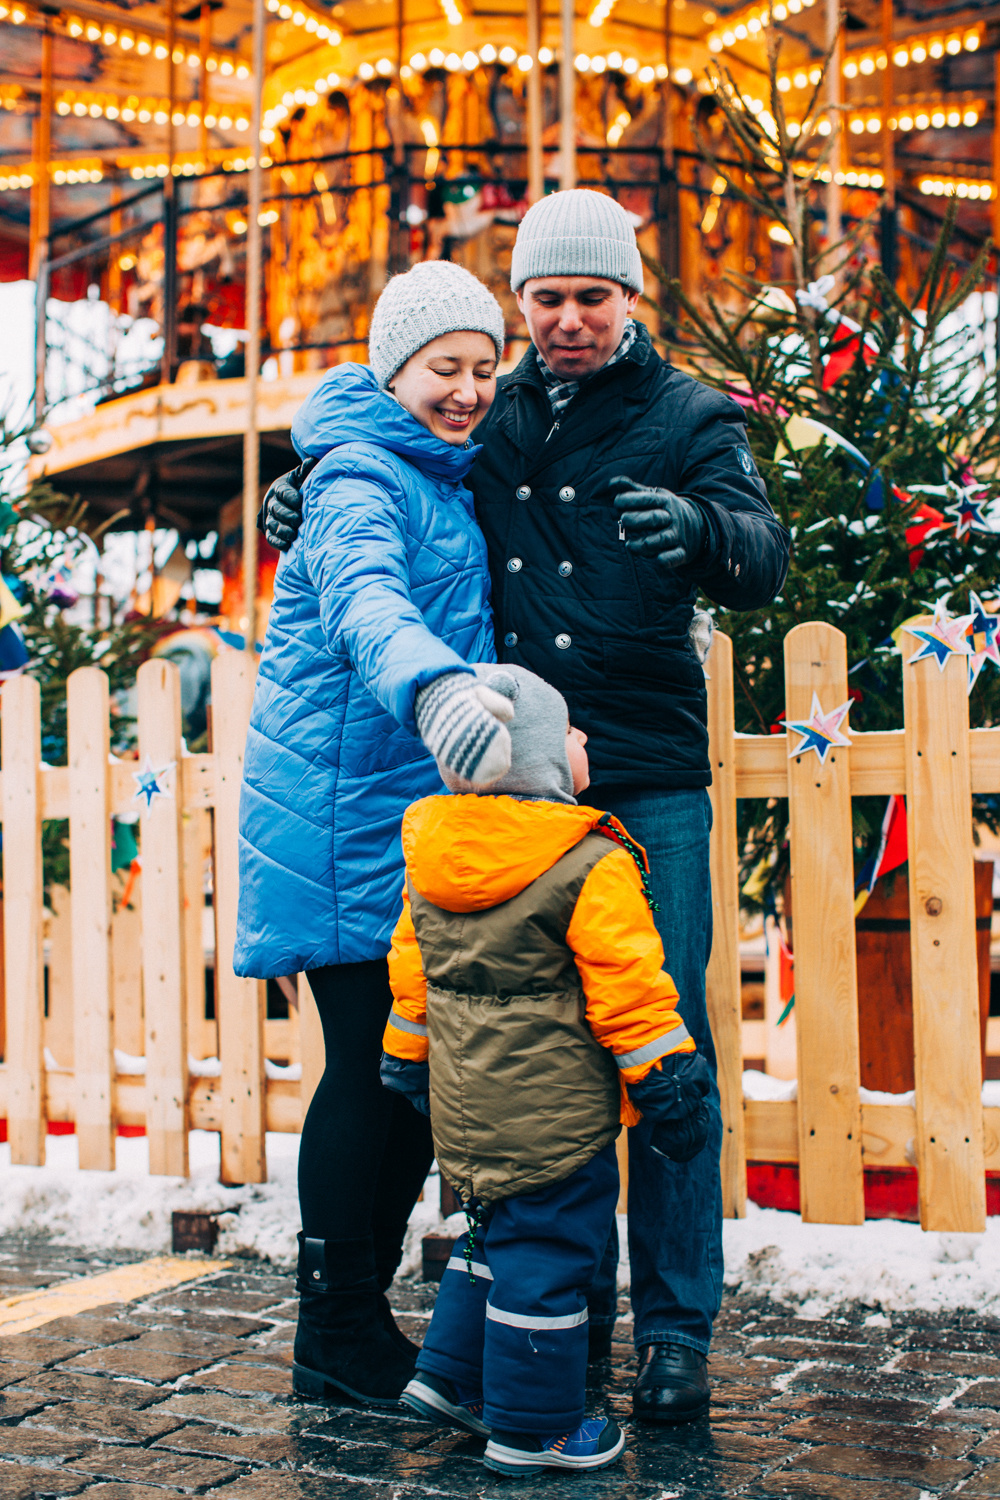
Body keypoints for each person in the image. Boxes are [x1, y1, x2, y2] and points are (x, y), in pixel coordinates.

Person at [261, 189, 790, 1423]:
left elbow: (765, 554)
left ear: (629, 300)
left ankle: (672, 1327)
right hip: (507, 780)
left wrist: (704, 528)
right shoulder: (488, 418)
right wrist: (299, 496)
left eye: (588, 300)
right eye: (542, 300)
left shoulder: (687, 415)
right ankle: (546, 1311)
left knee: (665, 1047)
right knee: (517, 1048)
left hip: (640, 778)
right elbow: (392, 477)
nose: (564, 321)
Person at [234, 259, 515, 1407]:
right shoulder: (360, 476)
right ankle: (334, 1329)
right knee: (371, 1070)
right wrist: (437, 689)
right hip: (348, 812)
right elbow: (365, 603)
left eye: (483, 371)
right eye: (443, 369)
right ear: (392, 370)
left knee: (405, 1073)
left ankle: (349, 1322)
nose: (465, 392)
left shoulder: (429, 473)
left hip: (399, 812)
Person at [380, 663, 712, 1476]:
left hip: (464, 1108)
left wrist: (403, 1059)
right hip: (554, 1116)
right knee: (550, 1251)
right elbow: (630, 988)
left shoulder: (434, 858)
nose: (584, 739)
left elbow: (410, 976)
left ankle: (451, 1375)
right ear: (528, 757)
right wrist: (666, 1083)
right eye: (568, 731)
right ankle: (536, 1428)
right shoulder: (587, 863)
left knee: (488, 1237)